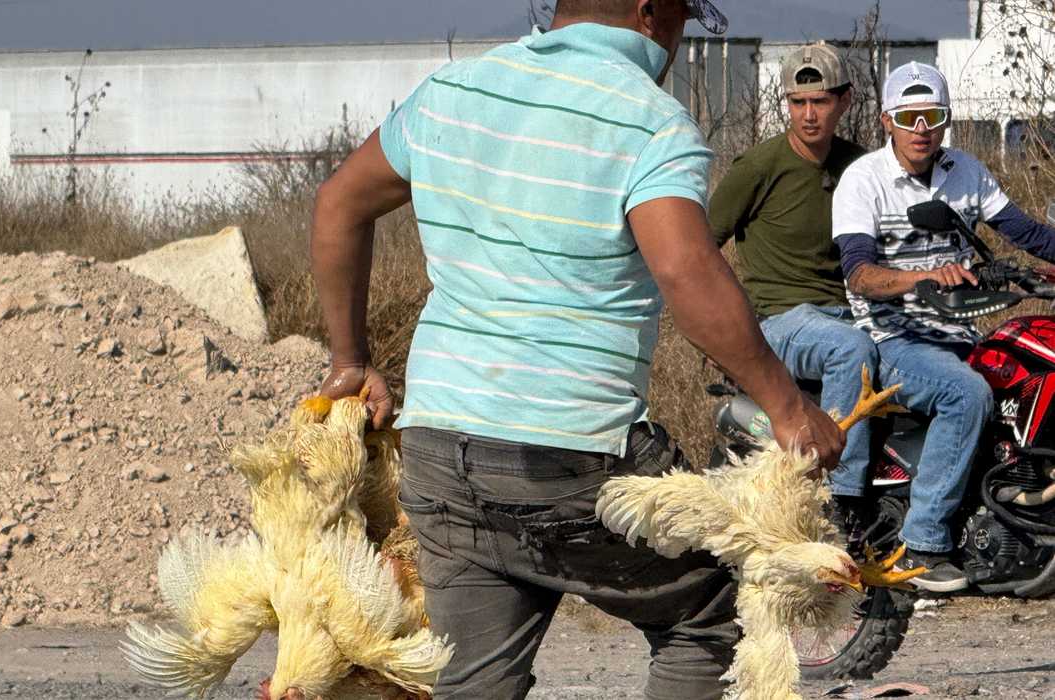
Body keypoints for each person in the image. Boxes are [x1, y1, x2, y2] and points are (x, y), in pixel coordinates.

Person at [313, 1, 844, 697]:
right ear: (652, 13)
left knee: (473, 680)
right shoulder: (646, 119)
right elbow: (686, 271)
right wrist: (786, 405)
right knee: (719, 611)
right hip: (568, 450)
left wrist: (350, 362)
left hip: (441, 447)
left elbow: (337, 204)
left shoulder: (452, 91)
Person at [833, 61, 1055, 592]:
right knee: (967, 395)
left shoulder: (965, 172)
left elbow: (1026, 232)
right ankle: (925, 543)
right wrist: (924, 275)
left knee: (1027, 373)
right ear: (887, 120)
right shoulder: (864, 180)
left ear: (946, 119)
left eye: (931, 116)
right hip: (894, 337)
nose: (920, 129)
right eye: (908, 117)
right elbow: (859, 274)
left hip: (960, 334)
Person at [709, 43, 875, 531]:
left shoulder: (859, 167)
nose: (808, 114)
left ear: (844, 101)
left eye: (820, 101)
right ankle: (842, 500)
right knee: (852, 351)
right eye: (797, 102)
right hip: (781, 320)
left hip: (845, 311)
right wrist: (733, 328)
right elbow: (700, 248)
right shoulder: (759, 166)